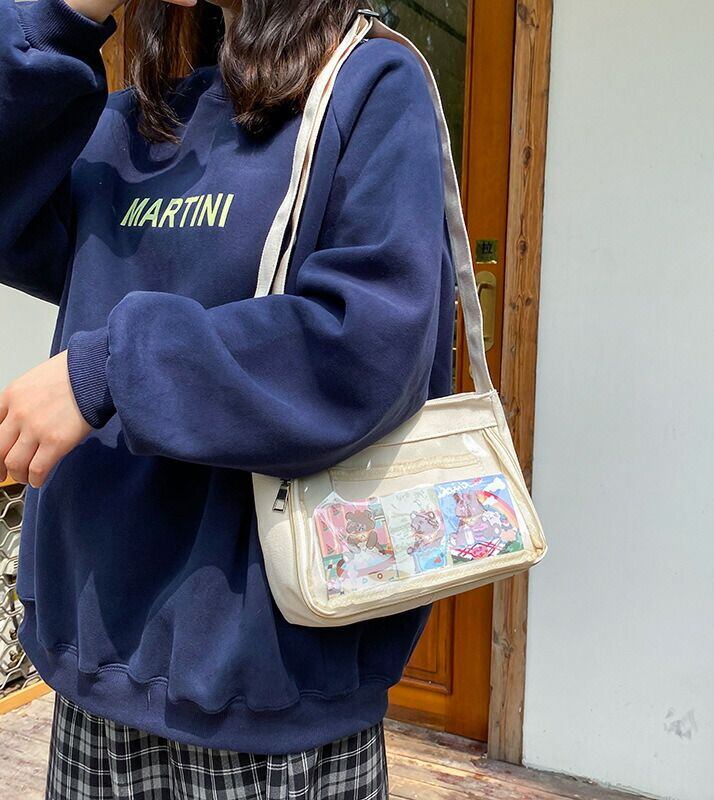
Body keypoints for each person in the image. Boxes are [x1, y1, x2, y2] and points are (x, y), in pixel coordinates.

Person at [0, 0, 454, 796]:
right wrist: (64, 15)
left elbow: (361, 350)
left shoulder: (368, 84)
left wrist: (109, 368)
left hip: (267, 685)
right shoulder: (132, 120)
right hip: (94, 662)